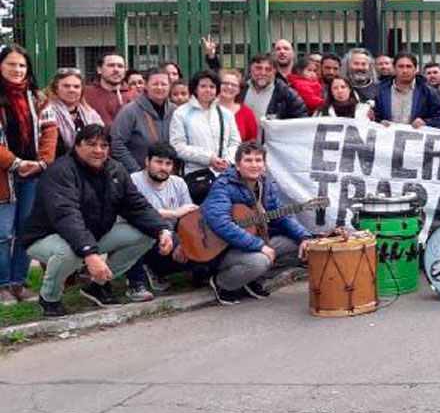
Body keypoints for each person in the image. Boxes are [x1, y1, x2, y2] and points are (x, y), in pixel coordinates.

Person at [22, 124, 172, 317]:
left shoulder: (116, 170)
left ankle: (96, 284)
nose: (98, 150)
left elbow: (137, 206)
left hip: (91, 235)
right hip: (47, 236)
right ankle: (50, 298)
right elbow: (67, 216)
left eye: (104, 145)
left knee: (146, 235)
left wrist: (162, 230)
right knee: (68, 253)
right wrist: (89, 253)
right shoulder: (60, 171)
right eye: (91, 144)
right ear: (77, 145)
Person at [200, 141, 314, 305]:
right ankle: (222, 284)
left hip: (248, 243)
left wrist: (304, 236)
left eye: (258, 160)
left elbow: (282, 214)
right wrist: (258, 246)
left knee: (300, 247)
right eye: (248, 160)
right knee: (260, 260)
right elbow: (221, 223)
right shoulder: (223, 186)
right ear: (238, 165)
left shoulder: (265, 185)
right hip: (221, 249)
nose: (254, 165)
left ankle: (250, 280)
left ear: (264, 164)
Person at [0, 45, 57, 306]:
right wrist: (15, 163)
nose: (17, 69)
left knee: (26, 231)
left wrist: (42, 162)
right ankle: (2, 286)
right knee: (2, 233)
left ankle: (18, 282)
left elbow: (49, 130)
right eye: (12, 64)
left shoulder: (38, 97)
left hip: (33, 174)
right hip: (4, 177)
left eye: (22, 65)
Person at [124, 142, 198, 301]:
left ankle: (157, 271)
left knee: (198, 250)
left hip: (169, 238)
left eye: (168, 163)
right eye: (158, 162)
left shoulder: (178, 183)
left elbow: (189, 215)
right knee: (134, 233)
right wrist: (173, 213)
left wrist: (186, 243)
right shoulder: (132, 181)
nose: (163, 167)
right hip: (143, 234)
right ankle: (136, 282)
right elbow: (135, 213)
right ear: (147, 161)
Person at [170, 70, 242, 195]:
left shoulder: (226, 114)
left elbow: (235, 141)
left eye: (212, 86)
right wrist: (209, 159)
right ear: (195, 89)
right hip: (195, 177)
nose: (208, 90)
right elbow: (177, 146)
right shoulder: (181, 113)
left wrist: (227, 161)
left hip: (225, 175)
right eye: (203, 86)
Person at [111, 67, 175, 174]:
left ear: (170, 86)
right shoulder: (130, 111)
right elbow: (117, 144)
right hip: (137, 176)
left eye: (164, 84)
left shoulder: (175, 111)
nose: (159, 88)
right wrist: (137, 172)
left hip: (167, 176)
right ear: (146, 85)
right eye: (155, 84)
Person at [44, 68, 104, 157]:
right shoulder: (47, 112)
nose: (72, 90)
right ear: (56, 89)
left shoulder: (90, 114)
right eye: (66, 86)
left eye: (76, 86)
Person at [375, 53, 440, 128]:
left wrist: (425, 122)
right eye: (401, 66)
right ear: (394, 69)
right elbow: (374, 116)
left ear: (416, 69)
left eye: (409, 66)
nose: (405, 70)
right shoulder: (380, 92)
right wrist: (379, 122)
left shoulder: (428, 92)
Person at [244, 54, 307, 121]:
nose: (263, 73)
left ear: (275, 71)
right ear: (250, 69)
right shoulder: (240, 90)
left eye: (268, 69)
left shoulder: (287, 94)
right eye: (258, 68)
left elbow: (301, 122)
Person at [83, 52, 136, 125]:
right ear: (99, 70)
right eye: (111, 65)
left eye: (120, 66)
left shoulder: (134, 95)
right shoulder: (86, 94)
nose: (116, 70)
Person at [217, 69, 260, 142]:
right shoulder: (208, 108)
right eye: (225, 83)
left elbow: (252, 142)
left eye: (234, 85)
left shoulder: (247, 113)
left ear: (239, 90)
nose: (229, 87)